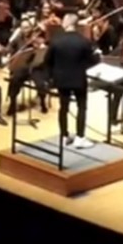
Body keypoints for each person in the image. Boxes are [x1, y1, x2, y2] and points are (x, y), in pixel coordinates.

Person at [44, 13, 99, 149]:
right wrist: (97, 56)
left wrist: (51, 76)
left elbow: (47, 61)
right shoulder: (83, 41)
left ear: (67, 23)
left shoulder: (56, 40)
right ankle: (80, 138)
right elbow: (92, 61)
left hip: (61, 79)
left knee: (63, 108)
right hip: (79, 79)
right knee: (81, 108)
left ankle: (64, 135)